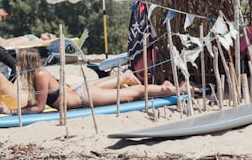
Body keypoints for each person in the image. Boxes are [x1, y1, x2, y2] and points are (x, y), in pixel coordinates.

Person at [11, 48, 184, 113]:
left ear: (26, 63)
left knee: (135, 93)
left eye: (19, 61)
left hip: (82, 98)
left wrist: (13, 113)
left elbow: (40, 108)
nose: (17, 64)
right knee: (132, 92)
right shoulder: (39, 74)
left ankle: (179, 90)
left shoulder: (40, 75)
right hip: (78, 93)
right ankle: (164, 86)